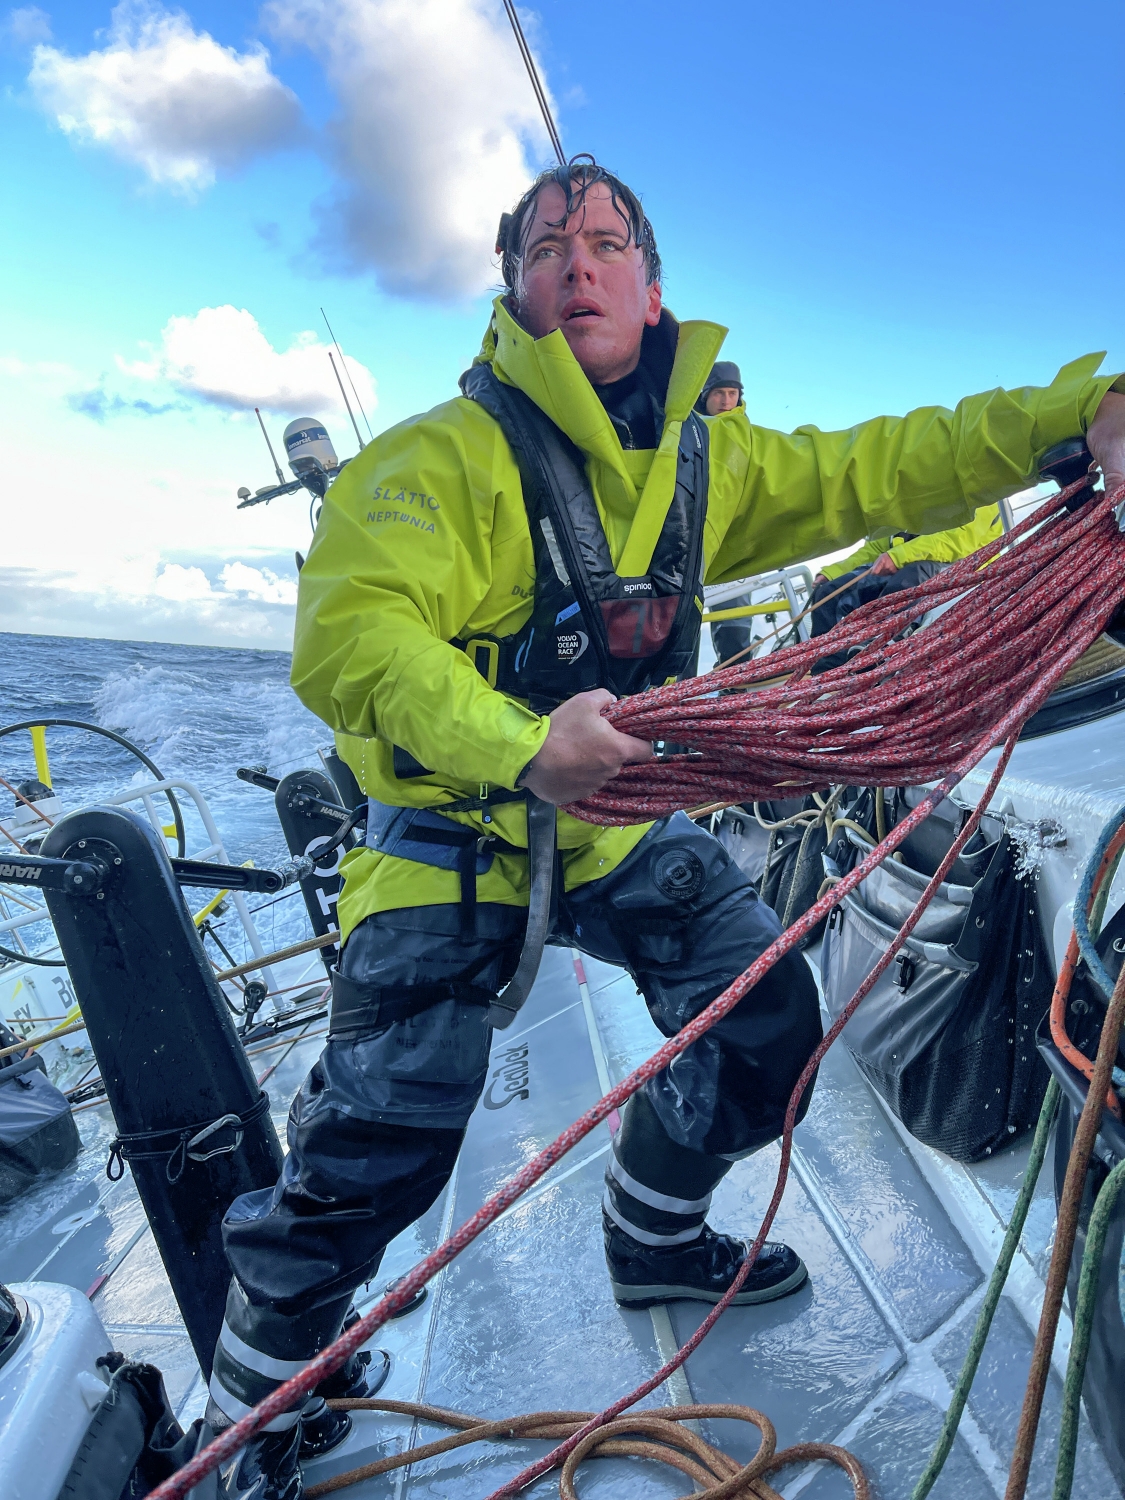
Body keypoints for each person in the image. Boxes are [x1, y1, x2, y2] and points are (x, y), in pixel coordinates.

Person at [205, 156, 1125, 1498]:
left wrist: (1080, 411)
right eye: (543, 246)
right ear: (513, 293)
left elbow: (889, 462)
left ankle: (653, 1233)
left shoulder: (709, 467)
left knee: (766, 1023)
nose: (575, 260)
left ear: (650, 288)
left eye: (605, 240)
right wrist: (522, 749)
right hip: (448, 833)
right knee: (380, 1141)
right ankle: (254, 1410)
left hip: (618, 824)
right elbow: (356, 642)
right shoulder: (429, 465)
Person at [808, 508, 1003, 652]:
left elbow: (955, 540)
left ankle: (885, 647)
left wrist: (899, 556)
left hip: (963, 573)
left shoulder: (982, 494)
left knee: (910, 576)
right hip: (906, 566)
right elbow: (876, 550)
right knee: (829, 593)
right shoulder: (911, 499)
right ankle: (826, 675)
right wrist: (833, 573)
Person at [694, 362, 759, 662]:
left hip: (732, 544)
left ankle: (736, 692)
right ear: (705, 394)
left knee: (734, 629)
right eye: (719, 392)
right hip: (691, 545)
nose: (725, 401)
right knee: (680, 634)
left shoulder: (749, 438)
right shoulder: (684, 429)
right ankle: (674, 702)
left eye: (731, 393)